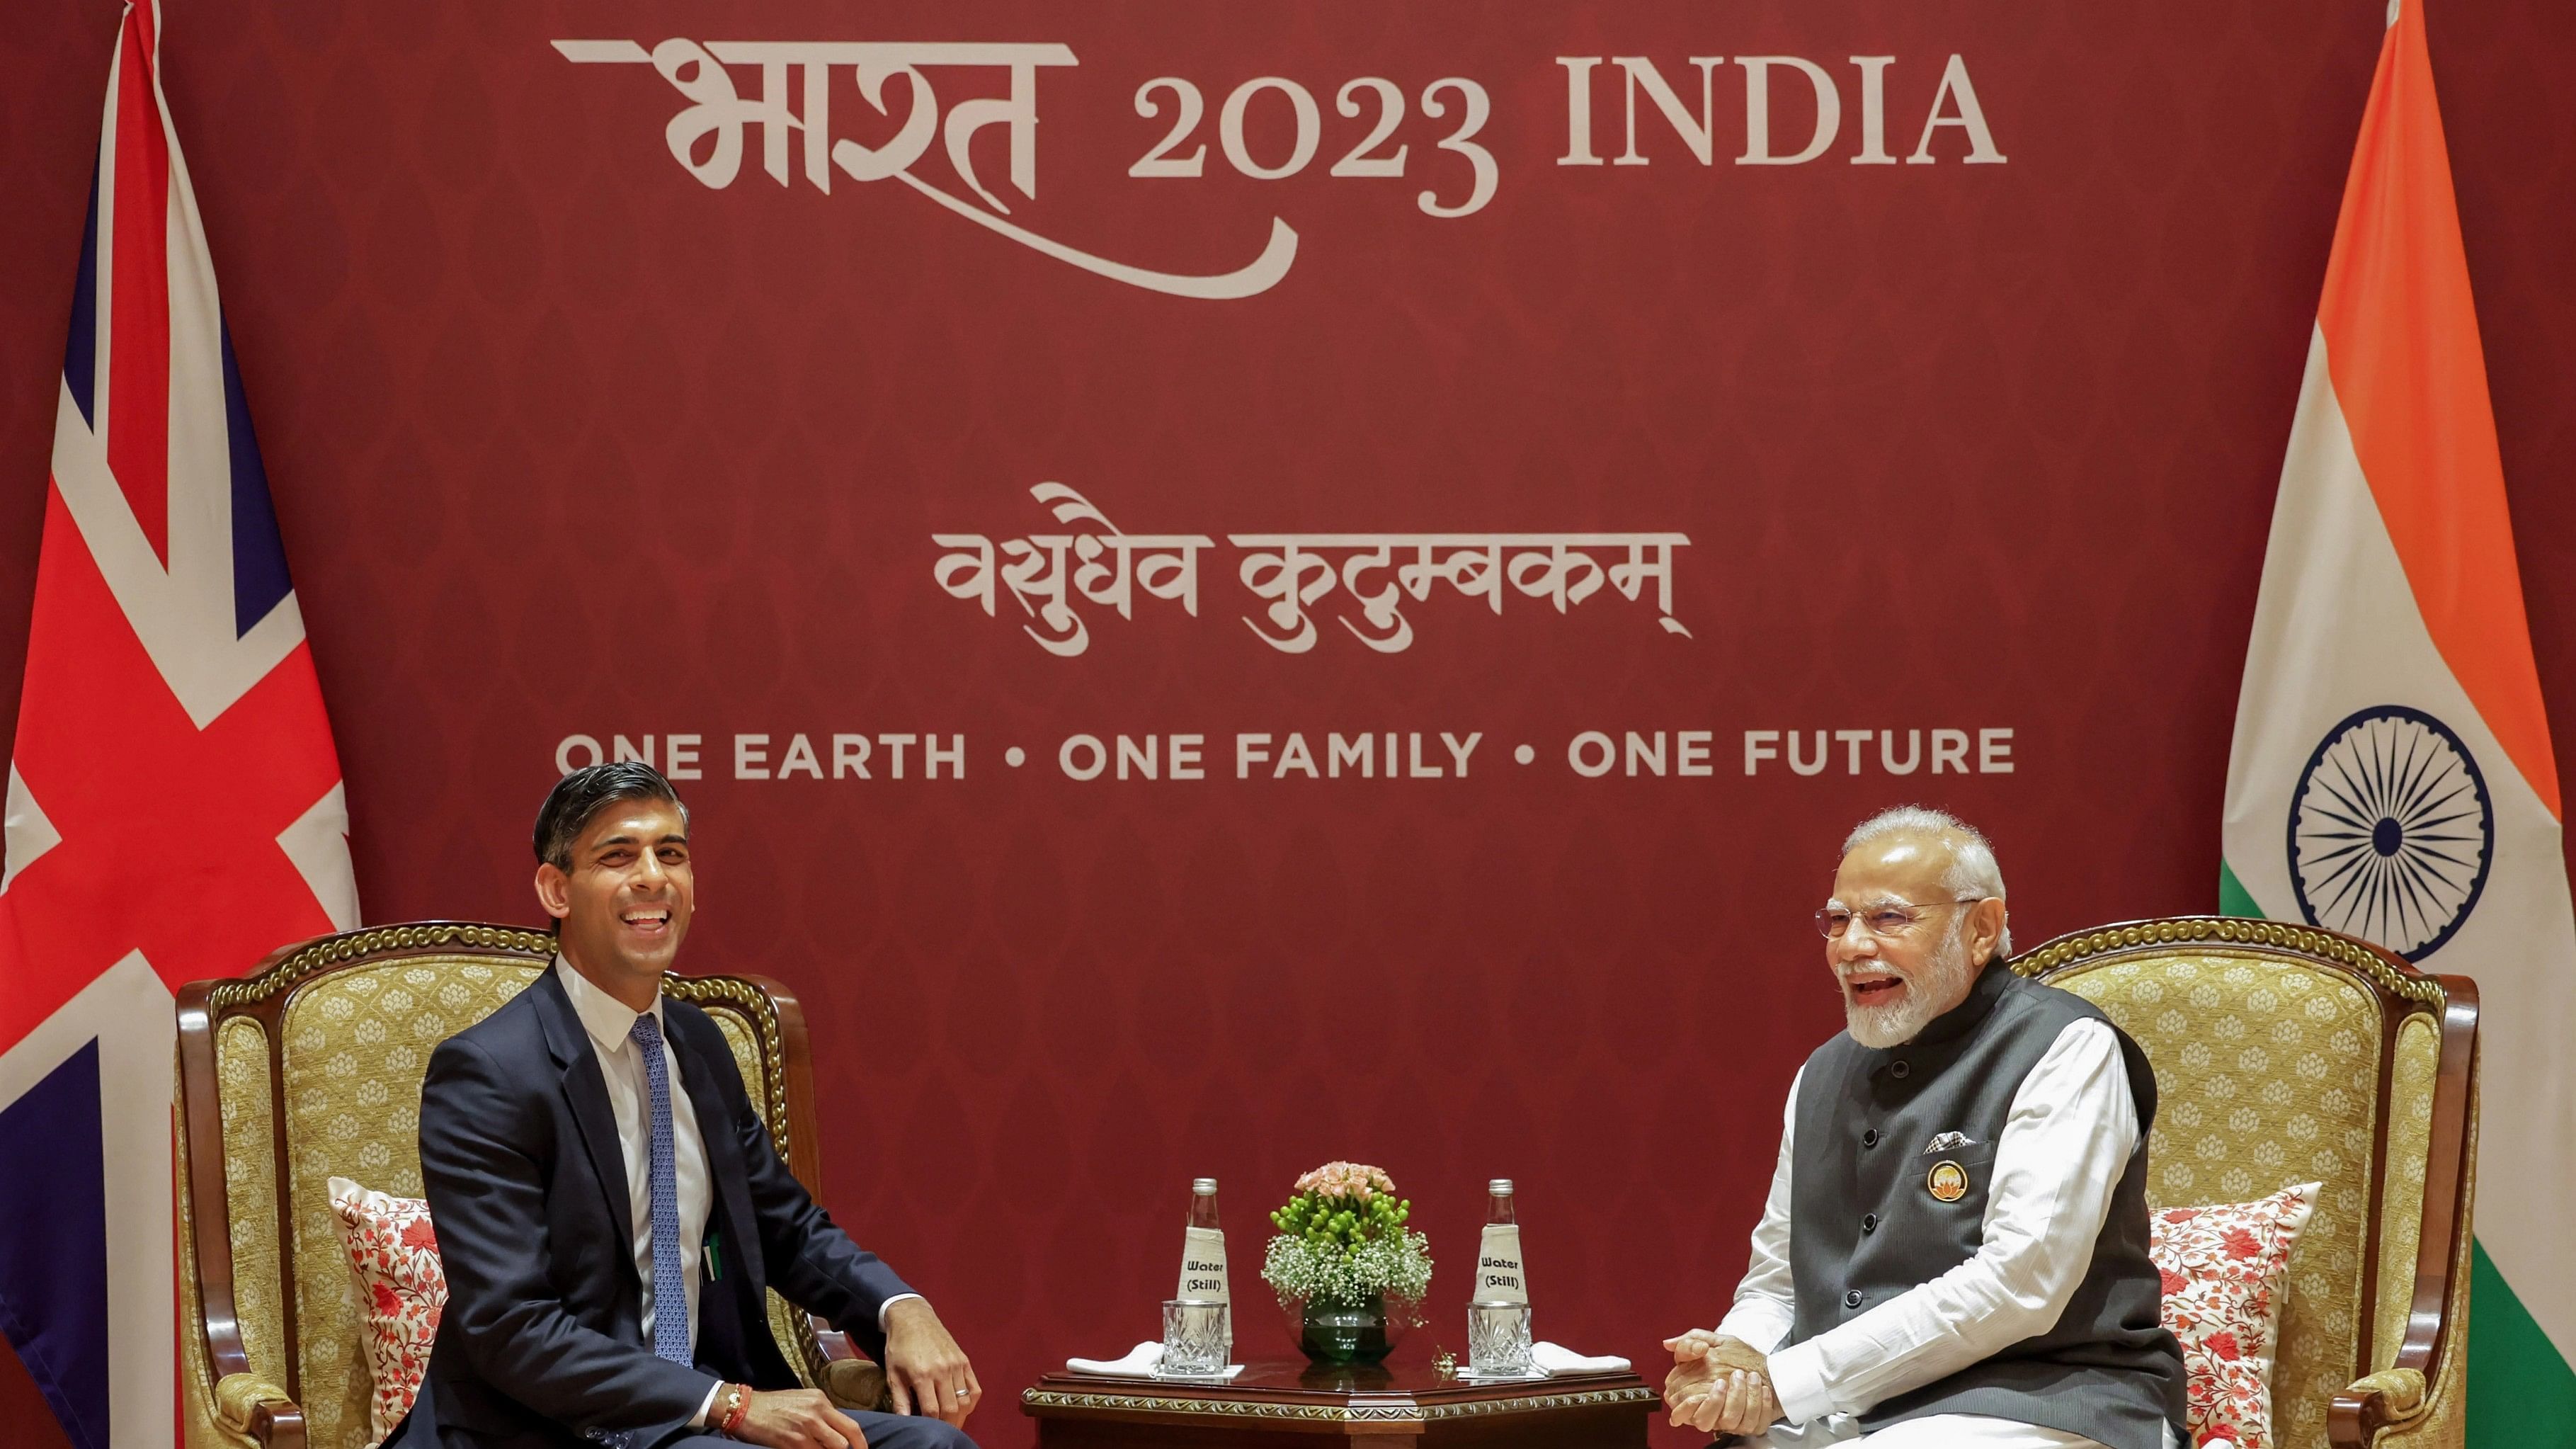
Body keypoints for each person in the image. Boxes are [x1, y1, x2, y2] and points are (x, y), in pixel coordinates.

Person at [388, 762, 980, 1449]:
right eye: (618, 856)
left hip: (695, 1415)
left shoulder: (696, 1043)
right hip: (555, 1427)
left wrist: (899, 1307)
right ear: (556, 889)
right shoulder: (489, 1072)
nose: (652, 876)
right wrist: (728, 1403)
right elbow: (512, 1327)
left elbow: (786, 1229)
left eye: (671, 854)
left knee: (937, 1447)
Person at [1663, 806, 2184, 1449]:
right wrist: (1733, 1365)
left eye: (1889, 918)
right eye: (1837, 921)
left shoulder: (2066, 1048)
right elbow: (1778, 1281)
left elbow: (2020, 1283)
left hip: (2045, 1401)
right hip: (1845, 1413)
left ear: (1981, 929)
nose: (1851, 946)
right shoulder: (1821, 1073)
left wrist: (1785, 1381)